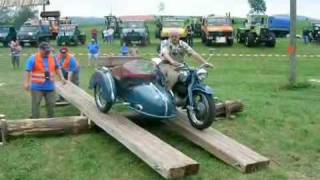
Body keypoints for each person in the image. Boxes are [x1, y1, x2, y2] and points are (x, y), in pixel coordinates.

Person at [23, 42, 66, 119]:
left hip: (50, 87)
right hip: (37, 87)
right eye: (45, 51)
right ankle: (35, 120)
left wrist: (62, 77)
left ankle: (51, 120)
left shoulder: (53, 57)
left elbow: (57, 68)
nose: (47, 52)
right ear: (39, 50)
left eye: (48, 51)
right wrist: (26, 83)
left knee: (51, 104)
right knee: (35, 104)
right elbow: (27, 70)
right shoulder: (33, 58)